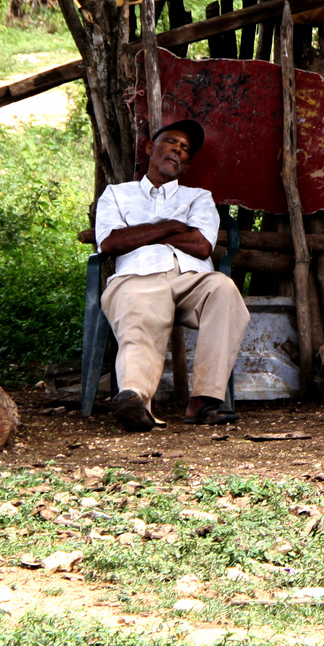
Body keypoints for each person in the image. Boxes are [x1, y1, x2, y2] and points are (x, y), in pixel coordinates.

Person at [94, 119, 250, 431]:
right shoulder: (116, 194)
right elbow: (111, 242)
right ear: (150, 148)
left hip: (190, 278)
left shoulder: (198, 197)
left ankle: (204, 401)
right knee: (138, 315)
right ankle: (135, 400)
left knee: (224, 289)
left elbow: (202, 245)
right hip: (137, 277)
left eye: (184, 150)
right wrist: (170, 225)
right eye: (171, 142)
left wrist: (140, 234)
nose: (177, 150)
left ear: (186, 164)